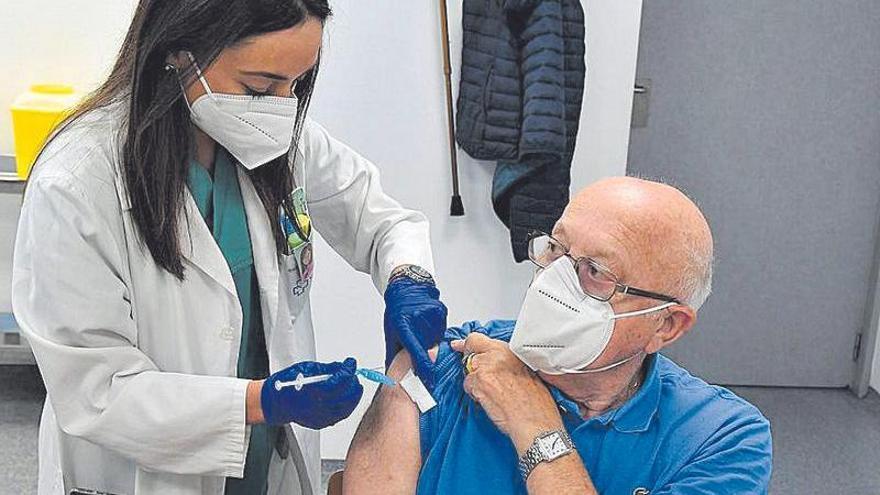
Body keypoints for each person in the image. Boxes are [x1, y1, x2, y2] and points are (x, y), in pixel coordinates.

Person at [11, 2, 447, 494]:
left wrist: (409, 280)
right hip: (142, 471)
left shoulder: (280, 140)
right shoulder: (77, 183)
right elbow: (96, 390)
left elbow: (382, 219)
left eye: (296, 85)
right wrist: (262, 402)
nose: (281, 106)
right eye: (260, 86)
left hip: (261, 463)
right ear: (179, 51)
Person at [343, 177, 773, 494]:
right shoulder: (448, 362)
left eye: (596, 272)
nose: (553, 279)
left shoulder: (721, 438)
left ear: (666, 324)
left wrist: (534, 422)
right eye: (556, 248)